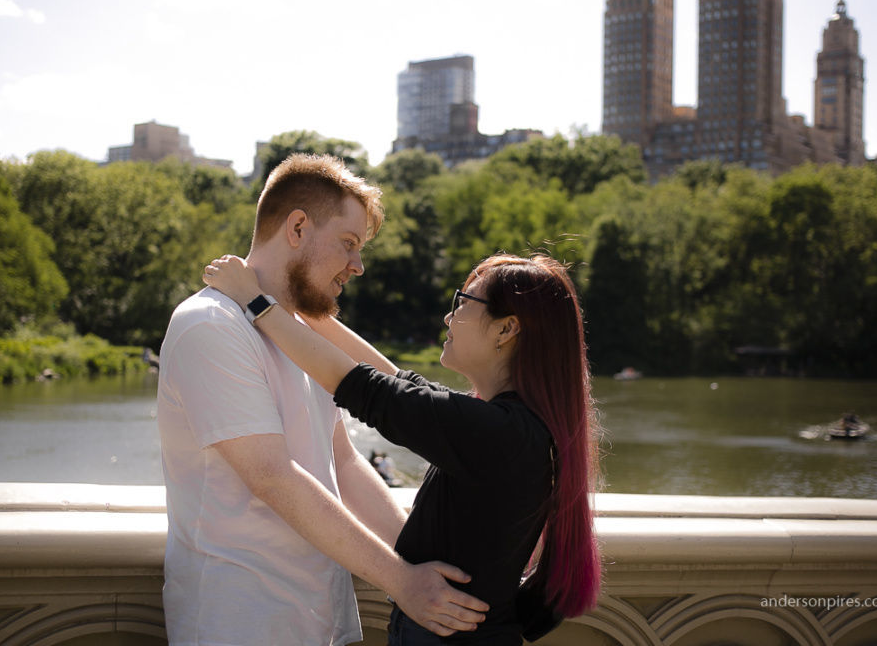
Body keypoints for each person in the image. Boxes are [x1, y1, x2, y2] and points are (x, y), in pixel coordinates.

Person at [157, 153, 488, 646]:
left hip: (322, 620)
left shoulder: (297, 336)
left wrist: (421, 561)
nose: (357, 266)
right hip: (238, 621)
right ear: (296, 228)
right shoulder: (210, 326)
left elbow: (345, 464)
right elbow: (273, 477)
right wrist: (402, 582)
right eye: (349, 244)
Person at [203, 252, 602, 645]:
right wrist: (301, 309)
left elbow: (360, 385)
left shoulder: (499, 433)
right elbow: (393, 379)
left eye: (463, 303)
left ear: (505, 329)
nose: (449, 317)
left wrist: (254, 301)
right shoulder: (515, 427)